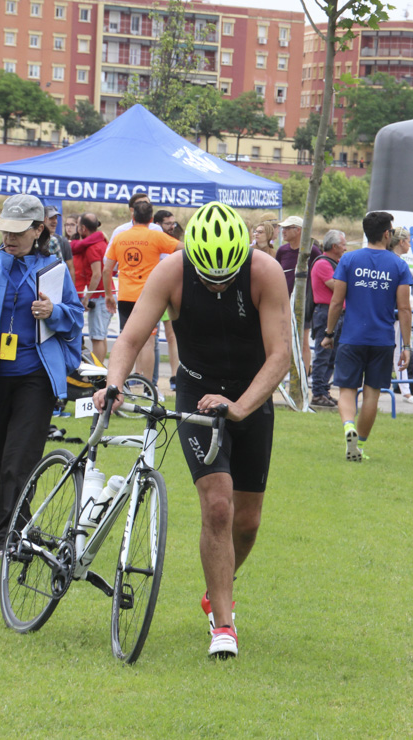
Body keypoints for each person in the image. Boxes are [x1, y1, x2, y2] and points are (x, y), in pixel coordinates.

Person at [94, 202, 290, 659]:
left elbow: (280, 354)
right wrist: (114, 382)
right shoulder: (171, 272)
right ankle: (224, 623)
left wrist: (240, 407)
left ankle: (216, 586)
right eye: (208, 277)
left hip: (250, 397)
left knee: (247, 522)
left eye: (225, 278)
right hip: (197, 393)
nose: (216, 285)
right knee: (218, 507)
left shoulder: (264, 271)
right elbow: (130, 336)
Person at [0, 194, 84, 559]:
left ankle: (14, 537)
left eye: (18, 231)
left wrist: (54, 311)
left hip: (34, 379)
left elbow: (75, 318)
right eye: (5, 229)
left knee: (19, 462)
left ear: (38, 229)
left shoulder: (54, 268)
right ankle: (0, 530)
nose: (9, 238)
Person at [322, 211, 413, 462]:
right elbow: (404, 308)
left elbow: (336, 301)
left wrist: (329, 334)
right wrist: (406, 345)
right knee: (372, 393)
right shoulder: (398, 265)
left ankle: (348, 426)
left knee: (346, 391)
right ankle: (359, 444)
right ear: (386, 234)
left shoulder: (349, 260)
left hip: (352, 337)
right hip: (382, 340)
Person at [103, 200, 182, 381]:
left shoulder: (120, 237)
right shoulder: (156, 236)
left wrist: (109, 294)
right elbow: (183, 249)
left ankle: (119, 382)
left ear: (133, 217)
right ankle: (149, 387)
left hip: (125, 296)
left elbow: (107, 269)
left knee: (125, 341)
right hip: (148, 297)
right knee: (147, 342)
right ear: (151, 219)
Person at [274, 215, 322, 376]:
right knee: (283, 340)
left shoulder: (312, 251)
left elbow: (319, 273)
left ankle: (302, 375)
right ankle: (283, 375)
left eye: (287, 228)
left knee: (302, 341)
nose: (283, 231)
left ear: (298, 230)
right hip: (283, 302)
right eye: (283, 228)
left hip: (303, 302)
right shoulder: (282, 251)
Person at [308, 229, 347, 408]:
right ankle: (317, 392)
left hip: (335, 313)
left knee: (331, 356)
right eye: (343, 245)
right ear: (334, 246)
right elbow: (336, 286)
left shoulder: (335, 263)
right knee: (323, 354)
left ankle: (323, 391)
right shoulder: (324, 264)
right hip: (325, 312)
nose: (345, 248)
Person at [71, 213, 111, 360]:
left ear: (82, 228)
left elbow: (96, 274)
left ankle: (97, 377)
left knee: (96, 337)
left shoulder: (92, 248)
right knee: (101, 336)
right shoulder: (102, 243)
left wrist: (87, 297)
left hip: (99, 295)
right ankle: (101, 372)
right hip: (105, 293)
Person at [389, 227, 413, 404]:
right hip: (395, 313)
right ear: (401, 242)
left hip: (397, 312)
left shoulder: (399, 262)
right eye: (408, 241)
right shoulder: (397, 263)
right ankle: (405, 390)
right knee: (399, 350)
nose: (409, 244)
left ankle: (405, 389)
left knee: (399, 350)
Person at [154, 209, 181, 391]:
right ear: (157, 224)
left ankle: (175, 376)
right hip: (155, 292)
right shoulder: (154, 238)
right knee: (149, 339)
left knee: (173, 336)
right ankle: (143, 377)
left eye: (173, 223)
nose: (172, 226)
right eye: (168, 223)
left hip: (172, 292)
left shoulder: (175, 240)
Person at [43, 205, 75, 282]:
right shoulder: (35, 240)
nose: (54, 221)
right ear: (44, 220)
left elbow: (70, 268)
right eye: (51, 218)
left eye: (56, 218)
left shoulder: (62, 241)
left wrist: (71, 291)